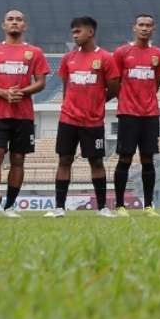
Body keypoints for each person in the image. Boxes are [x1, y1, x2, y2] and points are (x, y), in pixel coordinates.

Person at [0, 10, 49, 217]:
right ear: (3, 25)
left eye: (19, 20)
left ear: (25, 26)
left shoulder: (34, 52)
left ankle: (10, 206)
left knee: (18, 159)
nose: (14, 22)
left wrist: (22, 93)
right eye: (10, 19)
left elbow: (41, 82)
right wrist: (3, 93)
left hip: (23, 115)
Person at [52, 16, 121, 218]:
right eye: (73, 31)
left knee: (96, 162)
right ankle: (59, 207)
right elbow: (66, 88)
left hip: (92, 121)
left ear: (90, 32)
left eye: (78, 31)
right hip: (68, 120)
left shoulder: (106, 58)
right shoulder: (68, 59)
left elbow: (115, 88)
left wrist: (98, 102)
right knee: (64, 160)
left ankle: (102, 208)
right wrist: (68, 107)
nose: (74, 35)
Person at [111, 14, 160, 216]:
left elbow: (157, 81)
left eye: (148, 25)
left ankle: (148, 206)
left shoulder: (158, 55)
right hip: (128, 113)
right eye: (141, 25)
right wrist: (126, 98)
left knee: (148, 159)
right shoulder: (121, 52)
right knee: (125, 158)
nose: (144, 28)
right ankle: (119, 206)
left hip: (150, 114)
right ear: (134, 28)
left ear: (154, 29)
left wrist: (145, 99)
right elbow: (114, 81)